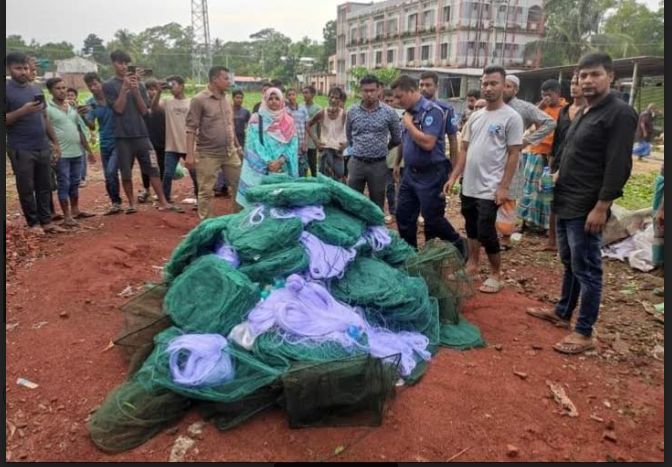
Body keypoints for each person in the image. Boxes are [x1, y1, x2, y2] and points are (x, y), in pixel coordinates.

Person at [526, 52, 638, 355]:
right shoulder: (585, 111)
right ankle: (563, 311)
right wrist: (558, 174)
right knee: (570, 262)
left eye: (595, 75)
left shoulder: (619, 113)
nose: (587, 81)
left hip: (587, 205)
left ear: (610, 76)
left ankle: (585, 331)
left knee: (588, 268)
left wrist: (602, 206)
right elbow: (574, 152)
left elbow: (618, 165)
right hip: (565, 199)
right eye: (583, 76)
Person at [445, 65, 524, 293]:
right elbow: (464, 149)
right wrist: (454, 176)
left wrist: (503, 187)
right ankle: (472, 265)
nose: (488, 88)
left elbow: (514, 154)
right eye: (485, 84)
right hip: (469, 184)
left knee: (486, 230)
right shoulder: (476, 116)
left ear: (503, 85)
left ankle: (495, 273)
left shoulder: (512, 117)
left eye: (493, 83)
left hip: (491, 187)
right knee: (470, 226)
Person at [391, 75, 465, 257]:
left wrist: (409, 125)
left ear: (411, 91)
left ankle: (459, 245)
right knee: (403, 214)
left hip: (432, 173)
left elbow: (428, 143)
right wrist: (397, 162)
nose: (396, 101)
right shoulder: (408, 113)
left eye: (400, 97)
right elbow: (404, 140)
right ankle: (411, 254)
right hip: (410, 173)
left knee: (433, 219)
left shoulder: (432, 111)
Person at [102, 50, 177, 214]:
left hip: (142, 135)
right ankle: (131, 204)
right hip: (122, 137)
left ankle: (163, 201)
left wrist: (135, 90)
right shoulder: (108, 85)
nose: (123, 66)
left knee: (153, 167)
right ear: (113, 63)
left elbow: (145, 111)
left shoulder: (141, 85)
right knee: (126, 172)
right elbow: (118, 109)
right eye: (120, 63)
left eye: (126, 63)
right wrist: (124, 89)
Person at [5, 52, 66, 234]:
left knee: (44, 185)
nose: (23, 72)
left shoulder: (36, 89)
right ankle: (33, 224)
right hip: (20, 147)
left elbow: (45, 117)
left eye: (25, 68)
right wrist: (21, 112)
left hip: (42, 145)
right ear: (8, 69)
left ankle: (47, 221)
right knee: (26, 188)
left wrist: (54, 142)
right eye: (18, 68)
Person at [185, 66, 241, 218]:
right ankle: (206, 225)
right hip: (208, 153)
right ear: (215, 79)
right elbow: (190, 128)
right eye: (226, 78)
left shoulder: (226, 99)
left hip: (230, 152)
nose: (229, 81)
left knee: (239, 185)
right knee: (206, 191)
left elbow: (231, 126)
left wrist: (237, 146)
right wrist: (189, 155)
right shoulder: (199, 100)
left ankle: (238, 221)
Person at [516, 79, 567, 242]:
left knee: (546, 191)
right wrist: (541, 106)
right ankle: (526, 221)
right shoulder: (540, 108)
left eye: (549, 95)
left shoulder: (564, 110)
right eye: (543, 95)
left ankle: (547, 226)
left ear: (558, 94)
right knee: (529, 189)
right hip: (535, 152)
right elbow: (528, 122)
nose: (546, 98)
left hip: (550, 155)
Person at [45, 77, 97, 227]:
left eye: (64, 88)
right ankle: (67, 216)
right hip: (61, 154)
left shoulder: (72, 107)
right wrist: (53, 148)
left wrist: (88, 150)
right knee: (64, 183)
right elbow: (46, 131)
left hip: (77, 152)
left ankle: (75, 211)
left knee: (75, 182)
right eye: (58, 88)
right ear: (50, 91)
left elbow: (79, 130)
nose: (62, 91)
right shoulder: (47, 109)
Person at [236, 87, 299, 208]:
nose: (273, 101)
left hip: (283, 167)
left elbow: (293, 143)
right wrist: (269, 162)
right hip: (262, 167)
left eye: (277, 98)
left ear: (281, 100)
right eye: (270, 98)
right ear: (265, 100)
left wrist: (280, 161)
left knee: (281, 201)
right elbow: (253, 143)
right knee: (261, 203)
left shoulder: (289, 121)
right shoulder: (255, 119)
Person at [346, 75, 402, 210]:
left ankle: (376, 230)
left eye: (372, 90)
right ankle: (355, 229)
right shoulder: (352, 111)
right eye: (365, 90)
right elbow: (349, 136)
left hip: (378, 164)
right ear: (361, 91)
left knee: (377, 202)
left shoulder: (389, 113)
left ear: (379, 91)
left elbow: (396, 138)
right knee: (352, 201)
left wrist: (384, 149)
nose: (369, 94)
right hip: (356, 163)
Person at [543, 71, 585, 251]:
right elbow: (558, 138)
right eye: (573, 83)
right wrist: (552, 162)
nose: (575, 87)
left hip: (579, 166)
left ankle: (571, 243)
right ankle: (552, 241)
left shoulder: (589, 112)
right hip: (559, 160)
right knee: (555, 201)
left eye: (578, 83)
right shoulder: (564, 111)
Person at [83, 71, 123, 215]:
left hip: (119, 140)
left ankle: (122, 200)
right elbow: (92, 126)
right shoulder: (90, 103)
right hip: (104, 141)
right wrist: (82, 116)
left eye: (95, 84)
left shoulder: (112, 96)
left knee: (112, 171)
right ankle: (115, 203)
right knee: (108, 174)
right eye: (89, 86)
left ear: (101, 82)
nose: (93, 88)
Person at [158, 75, 199, 207]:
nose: (171, 87)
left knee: (195, 174)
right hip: (172, 146)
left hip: (188, 145)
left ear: (182, 86)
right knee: (168, 173)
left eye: (173, 84)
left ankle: (200, 199)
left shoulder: (191, 102)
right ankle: (166, 200)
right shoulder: (167, 101)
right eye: (169, 85)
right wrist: (159, 91)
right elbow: (153, 107)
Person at [138, 79, 168, 204]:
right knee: (146, 166)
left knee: (161, 166)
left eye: (155, 89)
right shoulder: (142, 105)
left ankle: (160, 192)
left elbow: (156, 107)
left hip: (161, 140)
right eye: (150, 89)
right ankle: (146, 189)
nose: (152, 91)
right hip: (147, 141)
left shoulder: (163, 104)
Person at [308, 86, 347, 181]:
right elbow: (308, 125)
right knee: (324, 179)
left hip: (338, 151)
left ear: (340, 100)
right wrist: (316, 141)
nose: (333, 100)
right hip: (325, 150)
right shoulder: (322, 113)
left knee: (338, 178)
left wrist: (347, 143)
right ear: (328, 97)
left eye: (336, 98)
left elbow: (354, 130)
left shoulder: (344, 114)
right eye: (331, 97)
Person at [418, 71, 458, 162]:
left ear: (436, 87)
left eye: (428, 85)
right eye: (421, 85)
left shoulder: (446, 109)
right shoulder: (413, 108)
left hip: (435, 162)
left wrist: (453, 164)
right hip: (414, 164)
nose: (423, 88)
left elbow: (453, 139)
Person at [65, 87, 94, 187]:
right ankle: (73, 176)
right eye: (68, 95)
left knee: (82, 155)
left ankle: (82, 177)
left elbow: (89, 122)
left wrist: (92, 134)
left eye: (72, 95)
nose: (69, 97)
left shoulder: (81, 107)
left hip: (82, 134)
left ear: (76, 97)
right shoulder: (63, 107)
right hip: (70, 135)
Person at [383, 89, 404, 224]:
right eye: (387, 101)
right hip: (385, 156)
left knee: (402, 186)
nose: (390, 103)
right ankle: (392, 212)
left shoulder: (402, 115)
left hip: (401, 156)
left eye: (392, 100)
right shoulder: (379, 115)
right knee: (389, 186)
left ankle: (403, 211)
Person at [286, 88, 309, 176]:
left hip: (301, 144)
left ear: (296, 96)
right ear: (286, 97)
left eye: (293, 94)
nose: (291, 97)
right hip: (290, 145)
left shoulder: (303, 109)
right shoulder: (285, 111)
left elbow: (307, 126)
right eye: (289, 95)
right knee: (291, 169)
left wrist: (305, 143)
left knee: (303, 169)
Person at [302, 85, 322, 177]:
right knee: (302, 166)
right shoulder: (300, 107)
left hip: (312, 142)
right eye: (303, 93)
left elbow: (319, 126)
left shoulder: (318, 109)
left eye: (307, 92)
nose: (304, 95)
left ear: (313, 94)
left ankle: (316, 183)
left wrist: (318, 139)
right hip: (302, 142)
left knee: (313, 166)